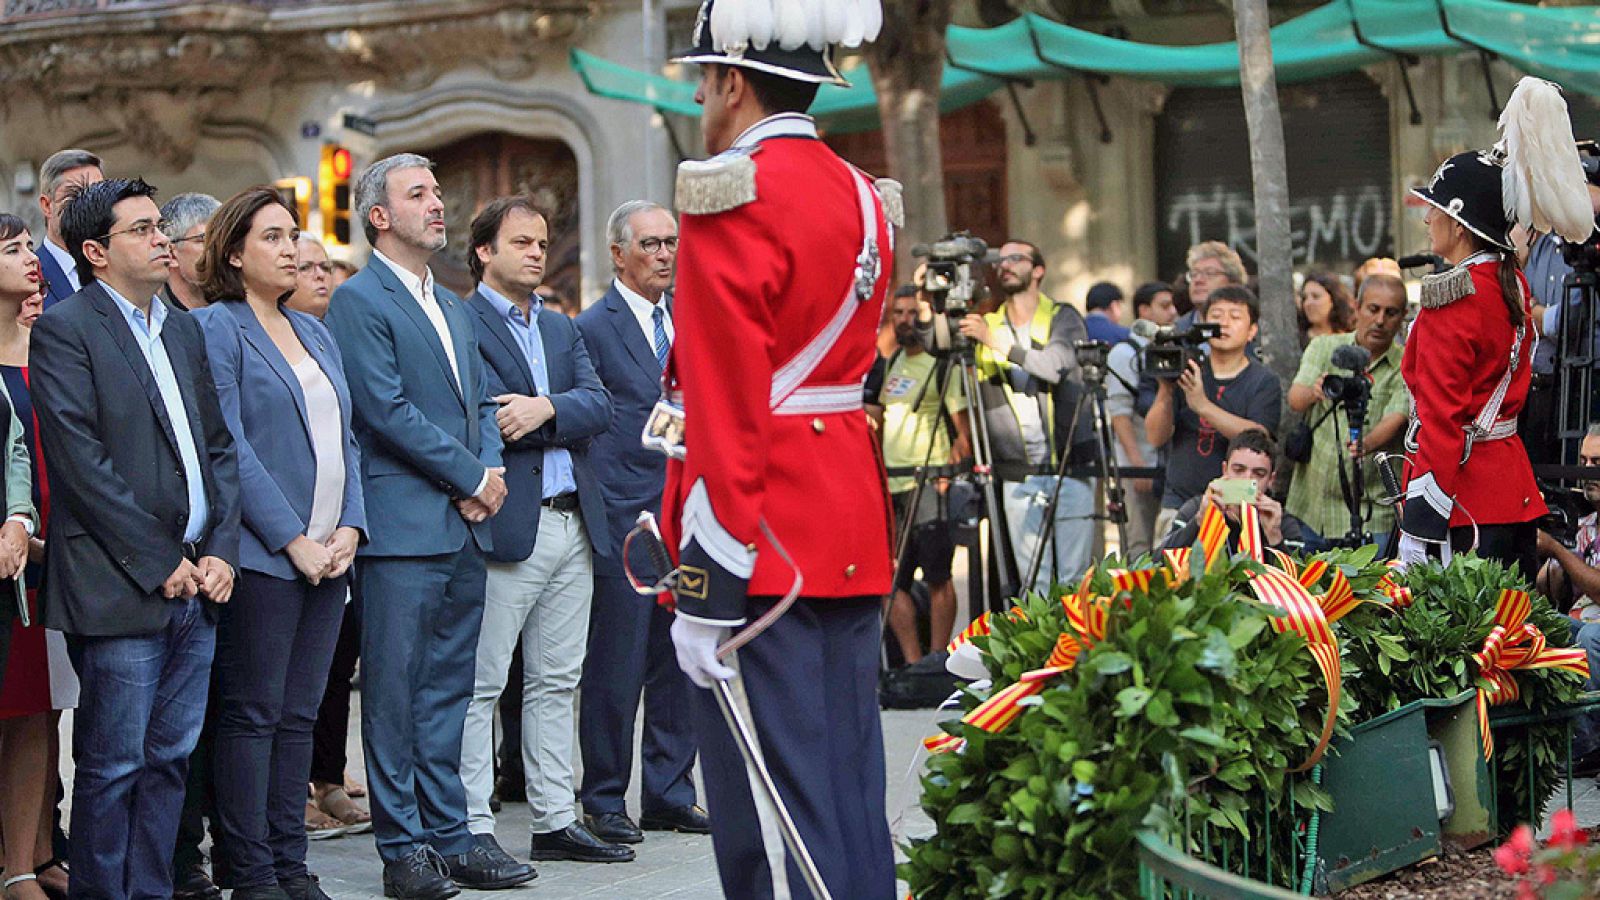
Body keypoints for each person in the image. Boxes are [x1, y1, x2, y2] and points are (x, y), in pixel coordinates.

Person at [659, 1, 899, 895]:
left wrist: (707, 586)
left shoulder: (730, 191)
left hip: (762, 535)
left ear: (732, 81)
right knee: (847, 777)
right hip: (846, 514)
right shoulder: (864, 194)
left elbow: (725, 402)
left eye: (703, 79)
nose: (698, 97)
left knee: (770, 796)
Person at [324, 153, 527, 899]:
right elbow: (384, 410)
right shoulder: (358, 300)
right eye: (419, 195)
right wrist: (471, 477)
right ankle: (402, 849)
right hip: (404, 529)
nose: (438, 204)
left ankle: (453, 836)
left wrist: (491, 472)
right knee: (394, 694)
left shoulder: (452, 303)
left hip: (464, 528)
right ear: (380, 216)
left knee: (449, 692)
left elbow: (480, 402)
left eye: (437, 192)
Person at [31, 177, 240, 900]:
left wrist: (220, 549)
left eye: (160, 227)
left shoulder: (181, 327)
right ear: (96, 251)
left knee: (170, 761)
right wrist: (158, 562)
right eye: (143, 229)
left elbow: (218, 449)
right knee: (114, 764)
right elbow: (80, 464)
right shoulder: (65, 329)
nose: (161, 240)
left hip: (199, 581)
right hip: (119, 585)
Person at [189, 187, 367, 900]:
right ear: (234, 253)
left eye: (293, 235)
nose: (291, 249)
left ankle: (292, 865)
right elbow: (229, 446)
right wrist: (293, 539)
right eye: (272, 237)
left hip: (331, 555)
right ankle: (251, 870)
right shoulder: (216, 328)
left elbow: (347, 440)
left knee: (299, 718)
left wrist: (351, 526)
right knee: (252, 715)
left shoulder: (315, 331)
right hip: (266, 557)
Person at [458, 196, 618, 866]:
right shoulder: (460, 322)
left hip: (573, 521)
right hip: (506, 524)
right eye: (521, 242)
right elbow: (484, 416)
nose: (535, 253)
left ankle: (555, 819)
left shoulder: (559, 327)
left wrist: (545, 408)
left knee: (557, 681)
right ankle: (471, 824)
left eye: (542, 243)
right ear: (484, 251)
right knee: (483, 682)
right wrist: (546, 415)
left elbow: (600, 405)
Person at [1396, 77, 1594, 579]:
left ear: (1459, 223)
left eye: (1435, 209)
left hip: (1460, 502)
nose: (1427, 219)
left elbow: (1442, 419)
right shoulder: (1509, 283)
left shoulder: (1452, 298)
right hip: (1509, 491)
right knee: (1514, 625)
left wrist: (1421, 524)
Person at [575, 201, 708, 847]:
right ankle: (604, 797)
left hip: (689, 513)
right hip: (627, 521)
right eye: (650, 244)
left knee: (679, 658)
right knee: (617, 665)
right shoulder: (590, 329)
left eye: (670, 243)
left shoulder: (691, 319)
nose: (663, 254)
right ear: (618, 253)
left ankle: (669, 793)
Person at [292, 233, 371, 838]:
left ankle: (328, 775)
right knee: (287, 685)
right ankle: (292, 792)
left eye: (326, 267)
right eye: (308, 267)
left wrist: (351, 523)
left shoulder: (330, 340)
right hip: (287, 539)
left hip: (341, 534)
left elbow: (349, 440)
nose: (322, 276)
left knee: (337, 665)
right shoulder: (250, 336)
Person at [960, 239, 1093, 594]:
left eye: (1016, 258)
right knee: (1034, 585)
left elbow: (1053, 367)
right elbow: (937, 344)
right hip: (1019, 473)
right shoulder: (987, 322)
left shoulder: (1063, 317)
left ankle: (1078, 634)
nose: (1004, 265)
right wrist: (933, 298)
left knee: (1075, 581)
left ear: (1038, 270)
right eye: (1000, 260)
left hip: (1070, 468)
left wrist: (994, 341)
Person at [868, 286, 970, 664]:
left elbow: (964, 434)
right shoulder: (891, 362)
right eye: (899, 313)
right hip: (892, 486)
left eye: (913, 312)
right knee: (890, 582)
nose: (905, 320)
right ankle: (913, 664)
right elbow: (880, 420)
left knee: (938, 576)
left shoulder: (940, 365)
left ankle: (939, 658)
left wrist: (948, 475)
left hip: (928, 483)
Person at [1142, 284, 1281, 542]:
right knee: (1170, 566)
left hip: (1237, 506)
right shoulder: (1189, 371)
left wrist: (1202, 405)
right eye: (1216, 316)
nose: (1224, 323)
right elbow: (1154, 437)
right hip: (1179, 503)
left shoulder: (1263, 381)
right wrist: (1165, 389)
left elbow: (1259, 437)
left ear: (1252, 331)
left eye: (1235, 317)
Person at [0, 216, 51, 900]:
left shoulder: (53, 345)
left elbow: (23, 452)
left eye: (30, 245)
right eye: (13, 249)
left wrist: (21, 523)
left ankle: (26, 862)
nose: (30, 258)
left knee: (35, 710)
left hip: (39, 554)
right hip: (16, 549)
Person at [1285, 273, 1410, 547]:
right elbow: (1295, 399)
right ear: (1357, 307)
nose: (1380, 320)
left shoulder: (1407, 364)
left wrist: (1365, 445)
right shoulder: (1324, 347)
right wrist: (1316, 391)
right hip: (1312, 509)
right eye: (1373, 309)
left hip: (1371, 514)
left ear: (1403, 316)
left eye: (1390, 313)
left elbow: (1397, 416)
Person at [1105, 281, 1177, 560]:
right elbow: (1120, 414)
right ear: (1144, 310)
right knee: (1138, 544)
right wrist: (1137, 465)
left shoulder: (1170, 347)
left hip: (1165, 465)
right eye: (1164, 306)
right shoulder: (1125, 353)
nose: (1172, 312)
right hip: (1138, 463)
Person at [1159, 431, 1305, 553]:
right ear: (1225, 470)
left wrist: (1274, 537)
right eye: (1238, 470)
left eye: (1259, 474)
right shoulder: (1198, 508)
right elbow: (1158, 563)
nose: (1247, 479)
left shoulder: (1281, 521)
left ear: (1271, 480)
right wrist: (1198, 522)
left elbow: (1300, 578)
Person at [1537, 428, 1600, 619]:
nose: (1587, 471)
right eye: (1583, 462)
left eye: (1596, 463)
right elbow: (1543, 587)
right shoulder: (1581, 527)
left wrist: (1556, 550)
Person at [33, 149, 104, 309]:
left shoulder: (117, 269)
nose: (88, 205)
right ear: (47, 205)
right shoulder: (28, 278)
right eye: (74, 195)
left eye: (97, 195)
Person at [159, 193, 219, 311]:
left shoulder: (242, 306)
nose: (221, 248)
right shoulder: (152, 314)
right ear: (171, 254)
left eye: (223, 238)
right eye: (205, 240)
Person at [1295, 271, 1354, 347]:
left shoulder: (1351, 339)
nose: (1308, 303)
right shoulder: (1296, 340)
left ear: (1333, 300)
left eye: (1316, 296)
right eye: (1305, 298)